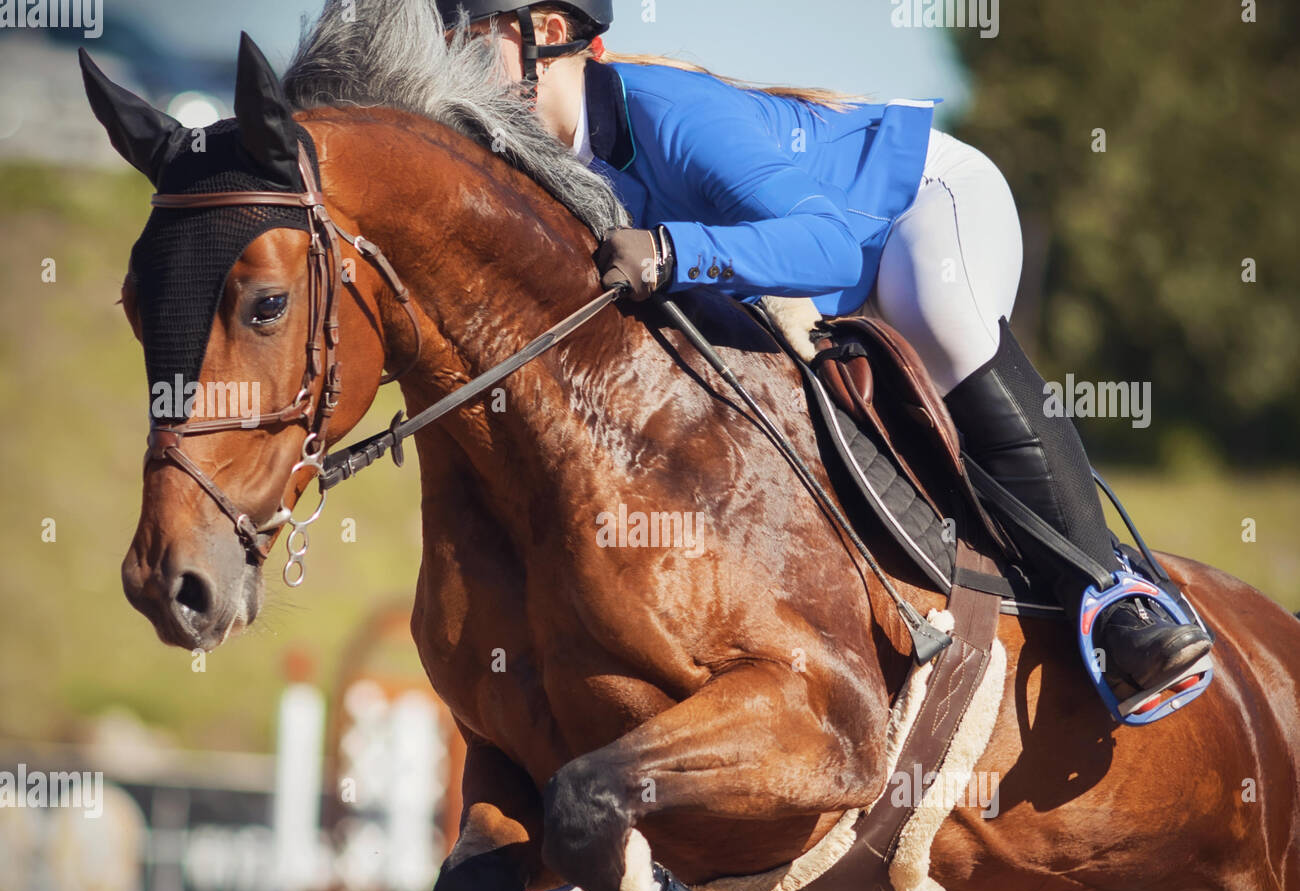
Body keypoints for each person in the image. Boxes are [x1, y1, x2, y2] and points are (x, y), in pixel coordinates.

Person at [437, 0, 1212, 701]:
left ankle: (1116, 600)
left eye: (470, 38)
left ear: (543, 32)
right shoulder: (539, 162)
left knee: (934, 314)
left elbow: (834, 248)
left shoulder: (668, 113)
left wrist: (673, 253)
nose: (453, 65)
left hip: (915, 210)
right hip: (813, 282)